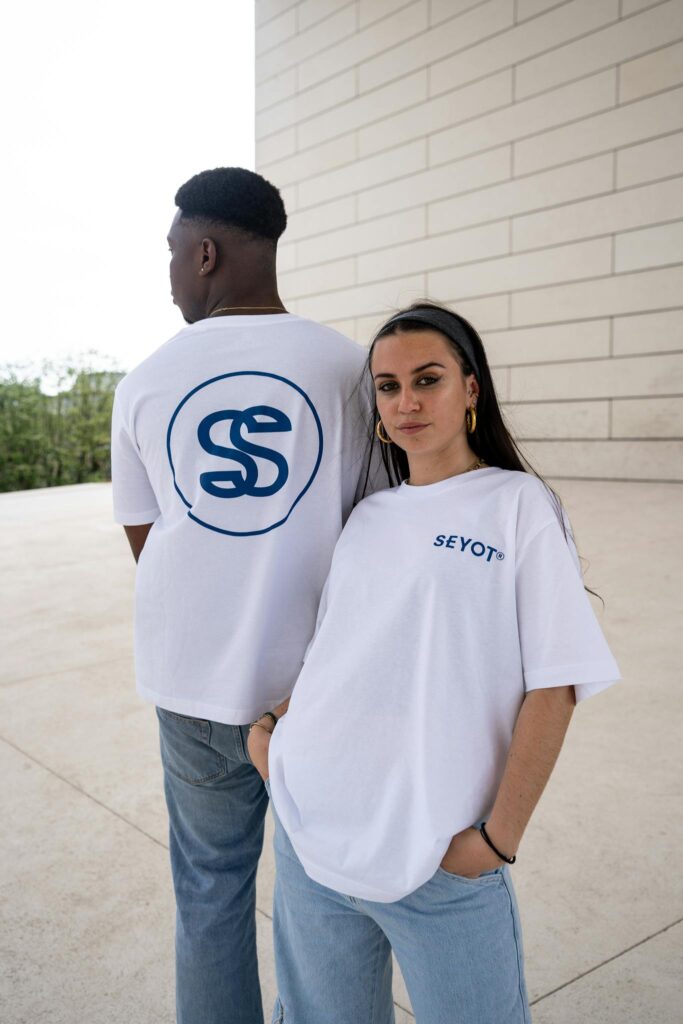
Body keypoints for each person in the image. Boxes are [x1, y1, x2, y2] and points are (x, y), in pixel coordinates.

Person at [248, 302, 620, 1024]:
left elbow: (555, 683)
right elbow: (343, 655)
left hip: (436, 858)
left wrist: (495, 841)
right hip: (311, 839)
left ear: (470, 388)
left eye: (427, 378)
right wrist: (271, 734)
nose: (406, 401)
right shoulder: (367, 516)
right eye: (387, 386)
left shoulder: (517, 506)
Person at [110, 167, 381, 1024]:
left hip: (190, 693)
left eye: (170, 256)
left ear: (204, 252)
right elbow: (377, 530)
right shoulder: (346, 365)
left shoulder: (147, 379)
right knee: (328, 909)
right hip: (316, 692)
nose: (169, 276)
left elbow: (145, 538)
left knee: (210, 898)